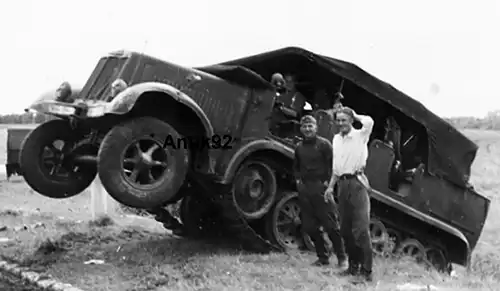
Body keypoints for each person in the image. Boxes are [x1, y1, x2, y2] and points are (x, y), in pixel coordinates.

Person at [324, 106, 375, 282]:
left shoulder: (361, 136)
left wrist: (355, 113)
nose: (340, 123)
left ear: (351, 121)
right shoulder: (336, 139)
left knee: (360, 229)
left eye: (344, 120)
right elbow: (336, 167)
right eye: (338, 120)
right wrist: (330, 187)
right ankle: (353, 267)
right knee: (345, 230)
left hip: (357, 183)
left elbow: (369, 121)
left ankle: (366, 271)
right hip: (342, 185)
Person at [293, 115, 347, 267]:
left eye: (310, 126)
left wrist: (328, 185)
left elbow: (333, 166)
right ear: (301, 128)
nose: (308, 129)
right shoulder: (299, 147)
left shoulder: (324, 145)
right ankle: (323, 257)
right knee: (309, 226)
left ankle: (342, 258)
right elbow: (296, 167)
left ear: (316, 128)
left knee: (331, 226)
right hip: (306, 189)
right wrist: (299, 182)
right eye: (305, 126)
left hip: (322, 188)